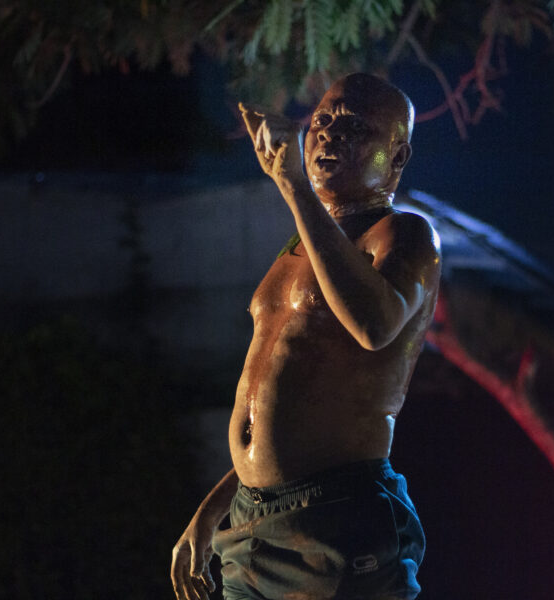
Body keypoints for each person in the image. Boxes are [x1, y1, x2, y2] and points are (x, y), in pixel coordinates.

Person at [171, 73, 441, 600]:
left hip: (336, 523)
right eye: (322, 120)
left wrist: (293, 185)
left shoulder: (405, 234)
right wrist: (212, 512)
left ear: (398, 155)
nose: (330, 135)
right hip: (250, 526)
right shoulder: (297, 248)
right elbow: (291, 414)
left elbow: (374, 326)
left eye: (355, 126)